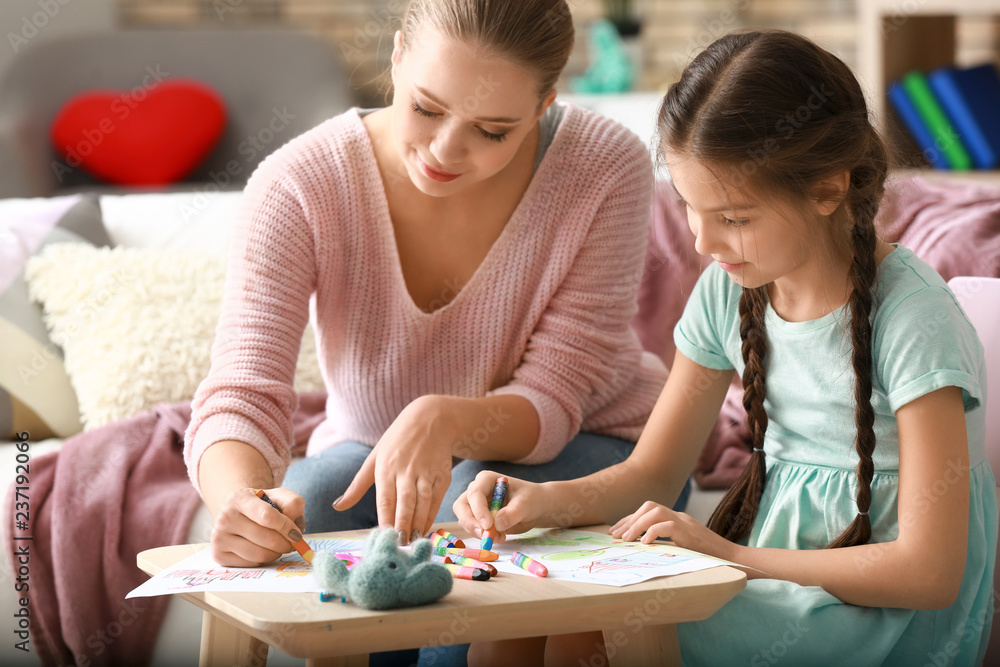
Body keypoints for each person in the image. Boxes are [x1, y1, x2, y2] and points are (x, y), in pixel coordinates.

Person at [455, 29, 997, 666]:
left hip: (873, 607)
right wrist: (541, 500)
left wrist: (727, 556)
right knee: (516, 621)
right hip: (762, 574)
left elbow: (928, 574)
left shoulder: (912, 319)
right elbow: (652, 473)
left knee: (599, 630)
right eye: (688, 206)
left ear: (828, 190)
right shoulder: (727, 290)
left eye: (734, 217)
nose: (702, 243)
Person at [183, 0, 680, 574]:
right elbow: (243, 391)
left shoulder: (604, 164)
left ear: (544, 106)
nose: (445, 150)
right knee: (315, 502)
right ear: (397, 58)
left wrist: (443, 419)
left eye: (492, 130)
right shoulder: (297, 185)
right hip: (372, 445)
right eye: (425, 107)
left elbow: (558, 392)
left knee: (471, 498)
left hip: (590, 441)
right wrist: (242, 504)